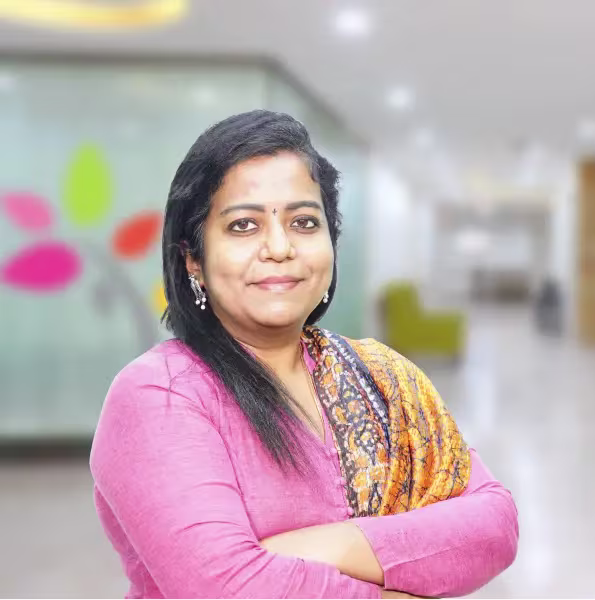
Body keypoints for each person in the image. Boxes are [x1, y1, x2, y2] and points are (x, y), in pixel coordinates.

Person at [90, 110, 518, 599]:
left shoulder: (378, 375)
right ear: (194, 259)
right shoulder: (159, 394)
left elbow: (494, 525)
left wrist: (326, 546)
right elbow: (227, 591)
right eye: (243, 225)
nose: (279, 247)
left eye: (304, 222)